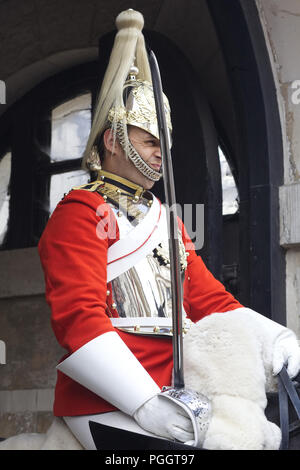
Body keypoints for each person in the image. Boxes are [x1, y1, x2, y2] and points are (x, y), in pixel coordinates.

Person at [38, 9, 300, 450]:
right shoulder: (80, 212)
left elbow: (209, 300)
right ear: (113, 139)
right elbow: (79, 320)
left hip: (179, 382)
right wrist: (142, 402)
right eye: (150, 142)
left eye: (165, 144)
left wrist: (276, 339)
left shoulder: (165, 217)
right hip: (110, 398)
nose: (162, 155)